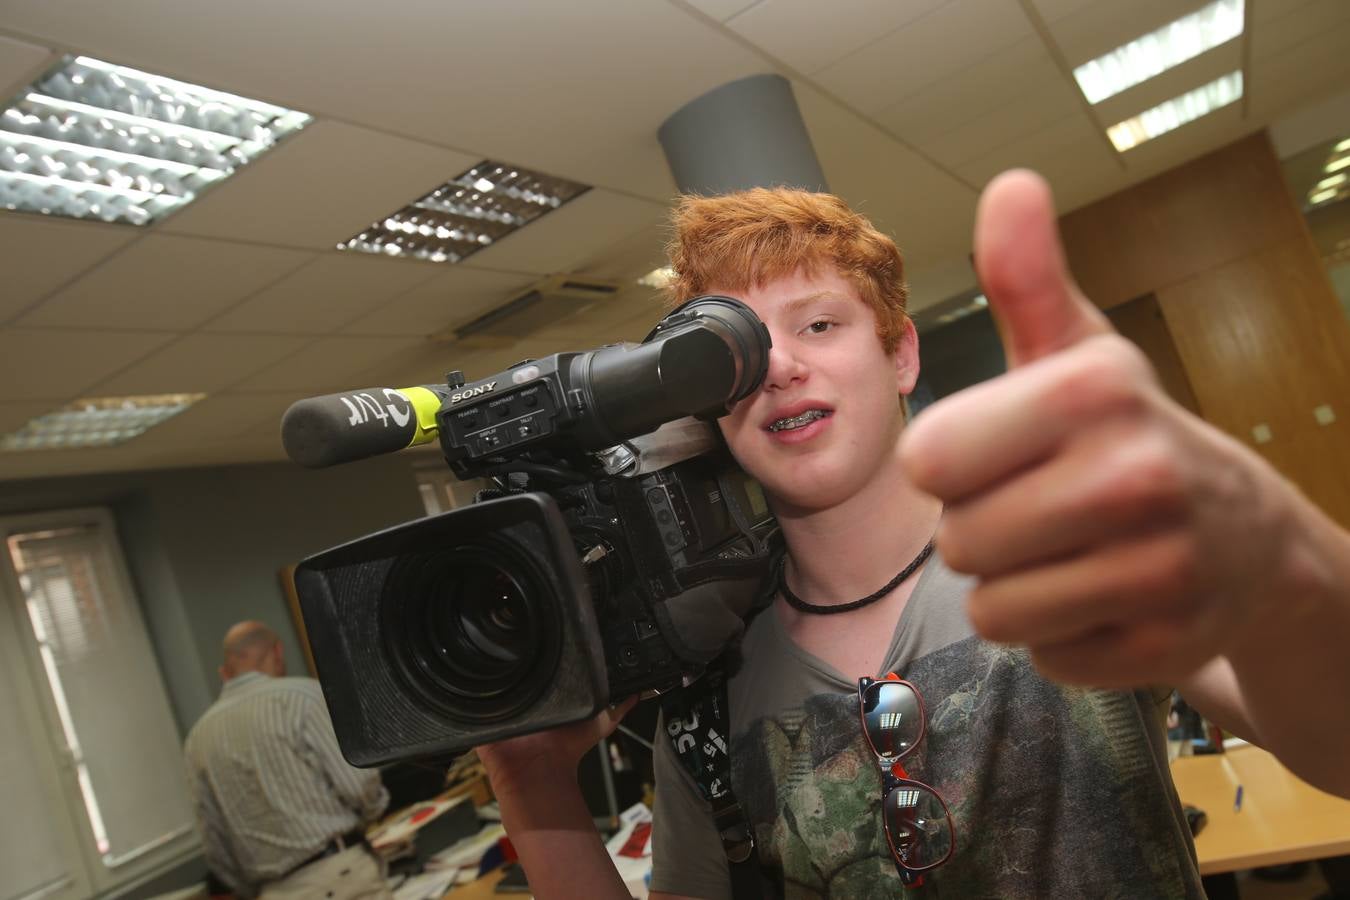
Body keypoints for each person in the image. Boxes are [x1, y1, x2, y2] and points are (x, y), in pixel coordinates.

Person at [476, 172, 1350, 897]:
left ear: (900, 354)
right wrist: (530, 780)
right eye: (729, 352)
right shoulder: (705, 683)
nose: (778, 367)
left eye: (818, 324)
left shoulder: (1057, 555)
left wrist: (1277, 573)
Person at [184, 621, 392, 900]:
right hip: (339, 876)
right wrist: (374, 812)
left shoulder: (198, 739)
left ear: (227, 670)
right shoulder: (302, 697)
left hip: (275, 892)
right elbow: (358, 784)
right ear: (277, 652)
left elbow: (215, 843)